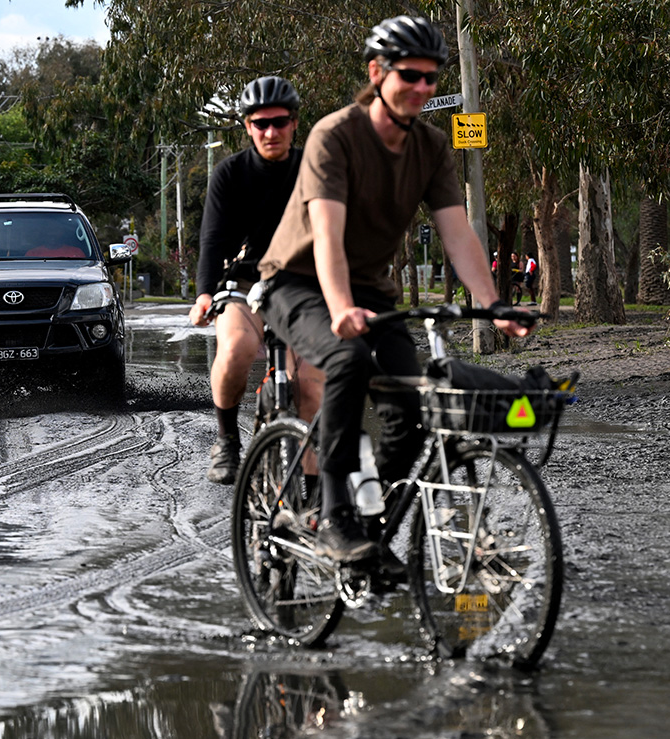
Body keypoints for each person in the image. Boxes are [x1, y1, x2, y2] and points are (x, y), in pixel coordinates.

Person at [256, 15, 531, 562]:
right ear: (377, 72)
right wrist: (340, 310)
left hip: (371, 289)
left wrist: (494, 303)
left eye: (432, 78)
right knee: (349, 359)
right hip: (296, 282)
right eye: (411, 75)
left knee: (413, 401)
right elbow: (328, 239)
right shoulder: (335, 135)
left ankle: (369, 525)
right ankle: (331, 514)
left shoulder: (430, 147)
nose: (424, 89)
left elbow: (457, 233)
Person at [189, 76, 324, 484]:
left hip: (303, 286)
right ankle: (228, 438)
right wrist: (204, 294)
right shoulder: (229, 174)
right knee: (237, 348)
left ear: (295, 123)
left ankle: (314, 497)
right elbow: (213, 240)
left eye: (280, 122)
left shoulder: (313, 169)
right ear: (247, 126)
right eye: (260, 123)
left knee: (311, 390)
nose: (271, 131)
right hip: (244, 286)